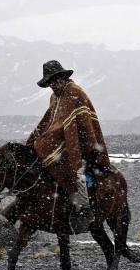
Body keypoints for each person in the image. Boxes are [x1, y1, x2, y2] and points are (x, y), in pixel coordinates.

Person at [26, 60, 111, 233]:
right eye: (50, 82)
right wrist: (35, 139)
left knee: (77, 170)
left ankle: (84, 206)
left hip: (82, 142)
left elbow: (78, 125)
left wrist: (76, 146)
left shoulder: (75, 92)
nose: (54, 85)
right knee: (42, 152)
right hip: (65, 142)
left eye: (56, 80)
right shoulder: (54, 97)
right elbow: (50, 121)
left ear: (63, 77)